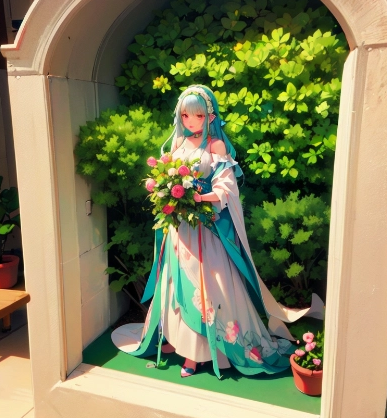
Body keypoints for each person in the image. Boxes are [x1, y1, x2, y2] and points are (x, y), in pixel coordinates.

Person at [126, 85, 323, 378]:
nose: (191, 120)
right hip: (179, 229)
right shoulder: (178, 142)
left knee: (205, 286)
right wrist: (166, 194)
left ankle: (197, 354)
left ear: (210, 116)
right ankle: (177, 341)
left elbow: (227, 189)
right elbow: (167, 177)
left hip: (206, 229)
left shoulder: (215, 146)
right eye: (185, 115)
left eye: (197, 115)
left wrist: (199, 198)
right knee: (175, 284)